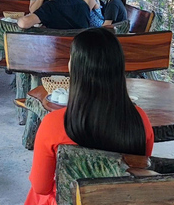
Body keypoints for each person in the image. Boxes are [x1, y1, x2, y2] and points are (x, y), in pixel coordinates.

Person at [24, 28, 154, 205]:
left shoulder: (53, 124)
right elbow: (140, 173)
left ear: (76, 68)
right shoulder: (140, 120)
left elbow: (41, 186)